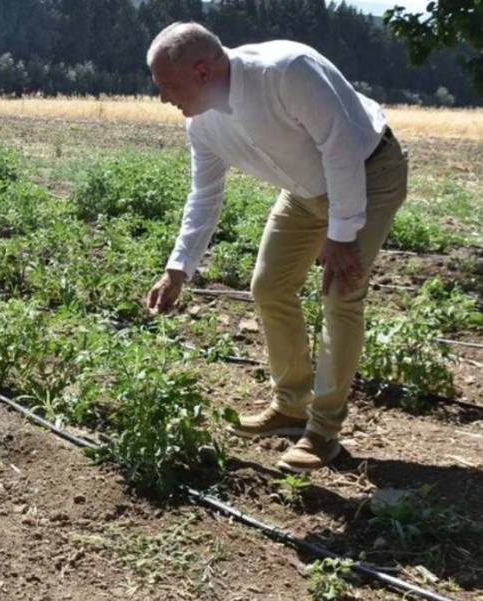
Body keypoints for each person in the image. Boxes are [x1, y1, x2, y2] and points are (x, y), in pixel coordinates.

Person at [144, 22, 408, 472]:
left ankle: (323, 432)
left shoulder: (286, 71)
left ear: (202, 72)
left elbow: (341, 146)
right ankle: (291, 404)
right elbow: (204, 195)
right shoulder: (203, 126)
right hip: (304, 192)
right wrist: (178, 268)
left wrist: (341, 234)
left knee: (341, 294)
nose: (163, 97)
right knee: (269, 286)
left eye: (166, 85)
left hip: (368, 171)